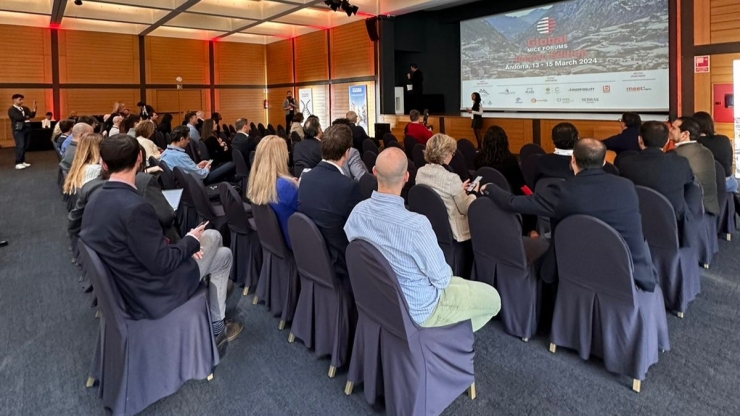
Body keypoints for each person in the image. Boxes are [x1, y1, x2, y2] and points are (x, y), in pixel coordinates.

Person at [79, 134, 242, 345]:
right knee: (212, 235)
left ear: (103, 163)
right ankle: (215, 323)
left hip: (125, 284)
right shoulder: (135, 207)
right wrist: (190, 241)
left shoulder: (94, 198)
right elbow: (162, 262)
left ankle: (216, 322)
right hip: (154, 292)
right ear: (140, 157)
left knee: (223, 255)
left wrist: (186, 245)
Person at [344, 147, 500, 331]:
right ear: (406, 177)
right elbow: (441, 280)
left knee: (459, 283)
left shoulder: (357, 213)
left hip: (377, 298)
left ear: (374, 172)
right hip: (419, 309)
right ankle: (445, 341)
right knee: (493, 299)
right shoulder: (416, 226)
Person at [483, 139, 657, 292]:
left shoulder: (562, 191)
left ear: (572, 160)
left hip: (578, 269)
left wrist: (488, 188)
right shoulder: (626, 186)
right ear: (604, 162)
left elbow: (513, 203)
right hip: (629, 270)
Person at [69, 146, 180, 245]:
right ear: (139, 157)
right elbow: (167, 217)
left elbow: (74, 223)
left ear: (103, 163)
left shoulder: (89, 186)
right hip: (145, 250)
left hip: (107, 252)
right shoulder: (144, 182)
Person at [298, 124, 362, 284]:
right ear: (347, 152)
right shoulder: (348, 187)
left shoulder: (305, 178)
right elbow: (359, 232)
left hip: (311, 257)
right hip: (339, 264)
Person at [618, 121, 695, 225]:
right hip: (674, 224)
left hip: (637, 222)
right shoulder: (681, 163)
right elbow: (691, 190)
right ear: (667, 141)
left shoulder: (625, 164)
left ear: (640, 140)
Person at [416, 133, 479, 243]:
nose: (452, 155)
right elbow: (465, 208)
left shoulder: (420, 172)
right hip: (454, 233)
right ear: (445, 154)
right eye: (452, 152)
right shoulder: (451, 179)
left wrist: (459, 189)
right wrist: (474, 194)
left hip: (433, 227)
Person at [247, 135, 298, 249]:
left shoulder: (257, 182)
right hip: (291, 242)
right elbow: (304, 213)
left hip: (272, 242)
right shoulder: (286, 186)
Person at [670, 116, 720, 216]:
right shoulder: (707, 151)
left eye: (674, 128)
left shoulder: (674, 155)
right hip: (710, 209)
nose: (670, 130)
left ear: (685, 134)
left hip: (690, 213)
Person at [160, 125, 235, 185]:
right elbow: (201, 175)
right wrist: (206, 168)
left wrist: (197, 166)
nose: (189, 142)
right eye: (188, 139)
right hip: (198, 182)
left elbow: (184, 168)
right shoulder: (181, 156)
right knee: (231, 164)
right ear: (182, 139)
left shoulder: (165, 153)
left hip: (187, 180)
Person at [475, 126, 526, 193]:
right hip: (506, 198)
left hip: (485, 196)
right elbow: (520, 185)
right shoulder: (510, 161)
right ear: (504, 141)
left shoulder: (479, 159)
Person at [693, 111, 736, 192]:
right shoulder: (724, 139)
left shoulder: (694, 143)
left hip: (705, 185)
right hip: (728, 182)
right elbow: (730, 162)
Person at [8, 93, 36, 169]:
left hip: (26, 128)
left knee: (25, 145)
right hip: (18, 130)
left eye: (22, 99)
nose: (22, 101)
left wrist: (34, 109)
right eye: (20, 99)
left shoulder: (25, 108)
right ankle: (18, 162)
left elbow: (31, 115)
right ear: (14, 100)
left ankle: (22, 161)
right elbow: (18, 118)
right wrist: (26, 117)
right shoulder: (12, 109)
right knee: (20, 145)